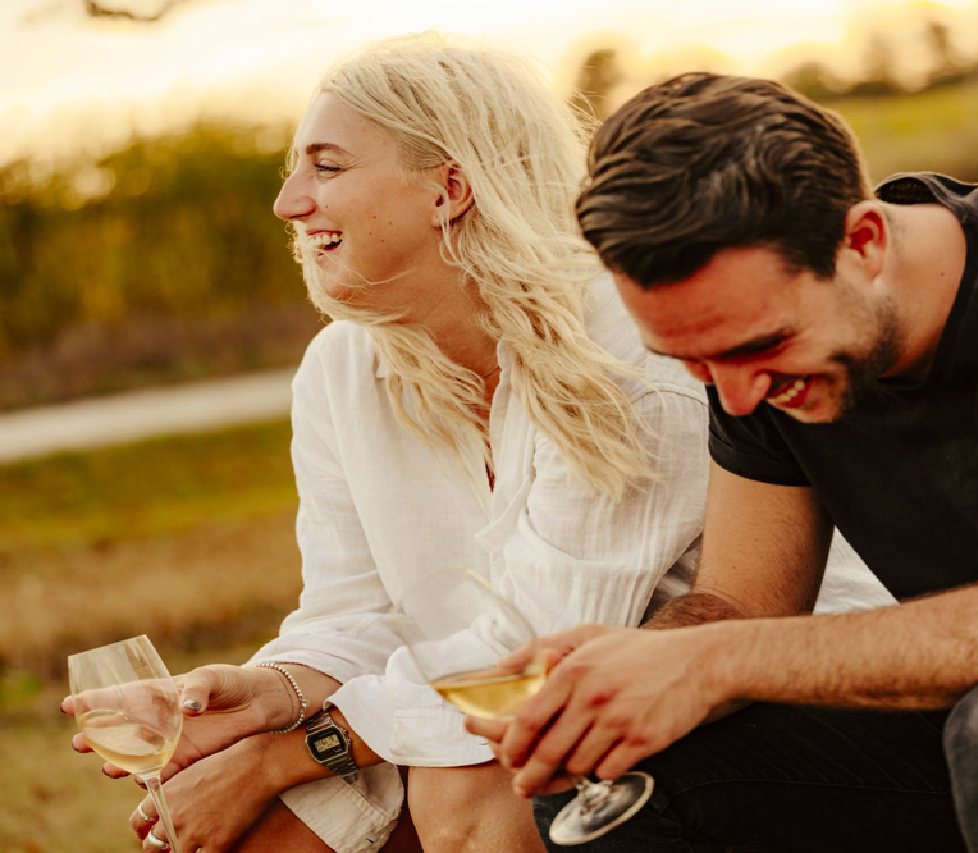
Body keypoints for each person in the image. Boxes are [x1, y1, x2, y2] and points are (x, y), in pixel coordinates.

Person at [63, 43, 889, 853]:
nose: (288, 201)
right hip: (516, 704)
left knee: (471, 778)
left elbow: (539, 641)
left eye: (327, 165)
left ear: (449, 188)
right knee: (270, 823)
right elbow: (355, 613)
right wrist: (266, 693)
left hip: (756, 709)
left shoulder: (619, 344)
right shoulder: (340, 371)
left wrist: (287, 751)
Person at [470, 72, 978, 851]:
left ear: (862, 240)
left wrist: (709, 662)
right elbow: (741, 604)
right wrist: (633, 664)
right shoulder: (754, 362)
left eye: (759, 346)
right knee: (631, 768)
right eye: (693, 360)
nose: (736, 395)